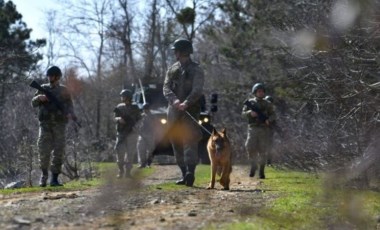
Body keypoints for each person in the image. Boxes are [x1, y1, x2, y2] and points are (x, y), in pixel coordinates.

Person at [163, 38, 204, 187]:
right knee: (176, 141)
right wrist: (174, 101)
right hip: (173, 111)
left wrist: (186, 102)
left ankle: (190, 173)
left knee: (190, 140)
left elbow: (197, 90)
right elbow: (166, 88)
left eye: (177, 51)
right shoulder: (172, 69)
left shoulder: (197, 69)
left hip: (190, 110)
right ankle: (183, 173)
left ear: (182, 52)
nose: (175, 54)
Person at [31, 66, 75, 187]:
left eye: (52, 76)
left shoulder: (64, 90)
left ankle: (54, 178)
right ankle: (44, 176)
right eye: (49, 76)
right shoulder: (43, 88)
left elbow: (70, 106)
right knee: (43, 151)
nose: (50, 78)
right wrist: (38, 98)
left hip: (60, 125)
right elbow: (33, 103)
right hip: (45, 125)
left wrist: (71, 114)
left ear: (57, 77)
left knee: (58, 151)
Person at [242, 83, 276, 179]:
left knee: (263, 150)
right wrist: (250, 113)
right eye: (258, 91)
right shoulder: (250, 102)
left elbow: (273, 114)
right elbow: (243, 114)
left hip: (264, 129)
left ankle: (261, 170)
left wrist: (269, 120)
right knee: (249, 147)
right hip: (252, 128)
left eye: (262, 91)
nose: (260, 93)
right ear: (255, 92)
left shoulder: (267, 104)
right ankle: (253, 164)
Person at [113, 89, 141, 178]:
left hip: (132, 133)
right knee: (119, 151)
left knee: (130, 153)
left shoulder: (135, 107)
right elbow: (114, 117)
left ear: (128, 97)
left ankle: (128, 172)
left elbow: (140, 120)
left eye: (123, 96)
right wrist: (118, 119)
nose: (122, 98)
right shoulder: (119, 106)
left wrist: (136, 127)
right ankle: (121, 170)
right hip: (121, 132)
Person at [136, 103, 155, 168]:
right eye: (144, 109)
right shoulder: (141, 116)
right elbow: (137, 124)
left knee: (150, 150)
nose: (145, 110)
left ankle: (148, 163)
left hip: (150, 134)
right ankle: (142, 163)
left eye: (146, 109)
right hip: (141, 134)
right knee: (141, 149)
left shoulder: (152, 116)